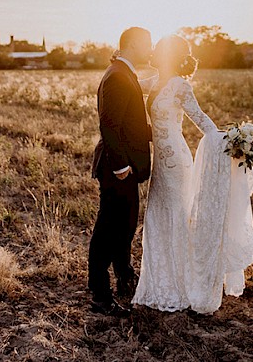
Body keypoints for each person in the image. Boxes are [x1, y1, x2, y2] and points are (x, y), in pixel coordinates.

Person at [132, 35, 253, 315]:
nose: (153, 51)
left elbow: (202, 120)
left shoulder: (179, 85)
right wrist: (120, 61)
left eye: (159, 49)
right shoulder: (154, 81)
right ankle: (160, 280)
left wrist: (234, 142)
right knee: (158, 216)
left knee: (176, 215)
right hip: (160, 162)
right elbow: (129, 85)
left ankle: (179, 283)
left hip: (176, 160)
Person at [88, 26, 156, 316]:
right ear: (132, 44)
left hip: (125, 166)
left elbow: (131, 123)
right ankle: (100, 296)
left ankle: (125, 277)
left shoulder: (123, 72)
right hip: (117, 168)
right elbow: (110, 125)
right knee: (107, 230)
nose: (150, 50)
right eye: (147, 44)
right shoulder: (117, 76)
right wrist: (121, 167)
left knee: (125, 226)